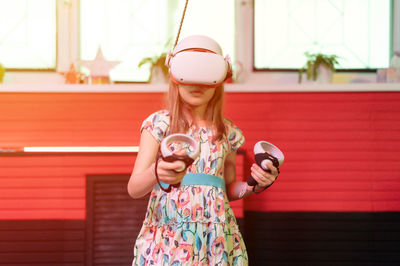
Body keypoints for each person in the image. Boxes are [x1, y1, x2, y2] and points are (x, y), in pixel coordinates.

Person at [127, 35, 279, 266]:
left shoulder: (226, 132)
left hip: (215, 237)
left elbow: (227, 189)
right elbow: (134, 188)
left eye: (206, 75)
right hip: (170, 238)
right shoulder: (158, 124)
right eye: (189, 73)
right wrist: (156, 172)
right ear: (175, 77)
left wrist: (253, 185)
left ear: (218, 80)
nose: (197, 84)